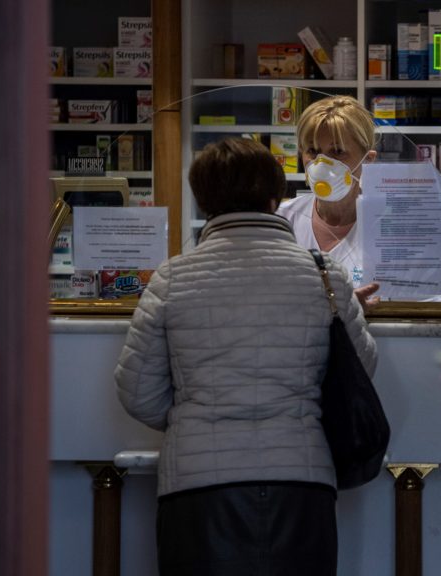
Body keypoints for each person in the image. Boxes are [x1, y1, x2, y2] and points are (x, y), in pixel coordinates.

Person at [115, 137, 377, 576]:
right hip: (301, 481)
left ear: (203, 199)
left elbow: (137, 391)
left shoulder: (172, 277)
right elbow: (361, 370)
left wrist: (197, 416)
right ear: (274, 198)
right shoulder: (323, 276)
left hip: (198, 486)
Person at [278, 95, 381, 311]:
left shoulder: (392, 226)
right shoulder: (283, 220)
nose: (322, 164)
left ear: (368, 160)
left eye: (338, 151)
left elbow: (426, 308)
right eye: (313, 151)